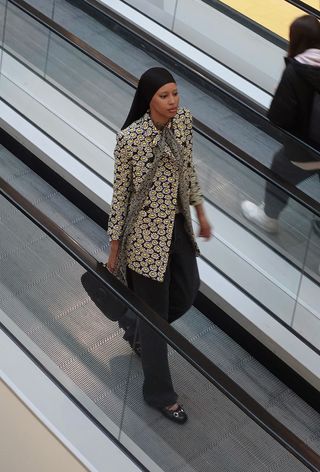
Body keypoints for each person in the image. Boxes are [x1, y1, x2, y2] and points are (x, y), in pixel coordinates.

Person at [106, 67, 212, 424]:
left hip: (177, 228)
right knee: (156, 324)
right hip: (145, 240)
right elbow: (120, 198)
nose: (172, 102)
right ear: (148, 99)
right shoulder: (130, 139)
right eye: (164, 96)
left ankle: (138, 329)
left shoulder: (183, 122)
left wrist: (201, 211)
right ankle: (160, 395)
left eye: (175, 94)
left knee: (187, 291)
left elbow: (188, 171)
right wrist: (114, 250)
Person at [241, 15, 320, 234]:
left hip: (311, 149)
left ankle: (268, 218)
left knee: (280, 166)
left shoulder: (296, 71)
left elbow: (278, 117)